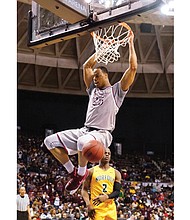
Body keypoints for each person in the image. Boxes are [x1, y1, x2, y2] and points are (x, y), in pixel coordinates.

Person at [44, 29, 137, 195]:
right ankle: (74, 171)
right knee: (49, 142)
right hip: (85, 129)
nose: (94, 78)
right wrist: (101, 50)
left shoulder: (117, 91)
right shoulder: (92, 89)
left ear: (106, 76)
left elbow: (133, 68)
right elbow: (86, 66)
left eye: (97, 76)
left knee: (82, 142)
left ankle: (80, 174)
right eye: (94, 76)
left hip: (102, 134)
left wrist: (130, 43)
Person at [81, 148, 122, 220]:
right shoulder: (91, 171)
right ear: (99, 154)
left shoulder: (116, 173)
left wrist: (107, 197)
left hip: (110, 208)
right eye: (105, 153)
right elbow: (84, 190)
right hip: (96, 207)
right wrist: (88, 204)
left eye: (109, 153)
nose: (107, 155)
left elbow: (117, 192)